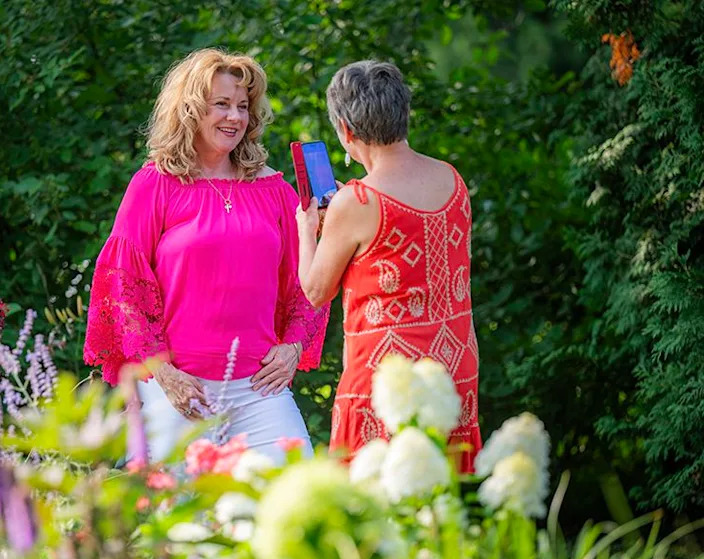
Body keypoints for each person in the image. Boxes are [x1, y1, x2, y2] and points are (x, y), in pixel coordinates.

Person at [84, 48, 329, 464]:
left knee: (293, 499)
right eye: (221, 105)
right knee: (173, 522)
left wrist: (291, 347)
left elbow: (309, 283)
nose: (234, 117)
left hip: (259, 392)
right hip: (179, 392)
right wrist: (163, 374)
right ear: (192, 109)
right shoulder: (154, 185)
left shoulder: (275, 191)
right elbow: (122, 287)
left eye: (242, 107)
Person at [296, 60, 482, 471]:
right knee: (449, 500)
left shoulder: (356, 202)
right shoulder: (452, 180)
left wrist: (307, 228)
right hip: (454, 371)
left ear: (346, 130)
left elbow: (314, 291)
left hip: (387, 382)